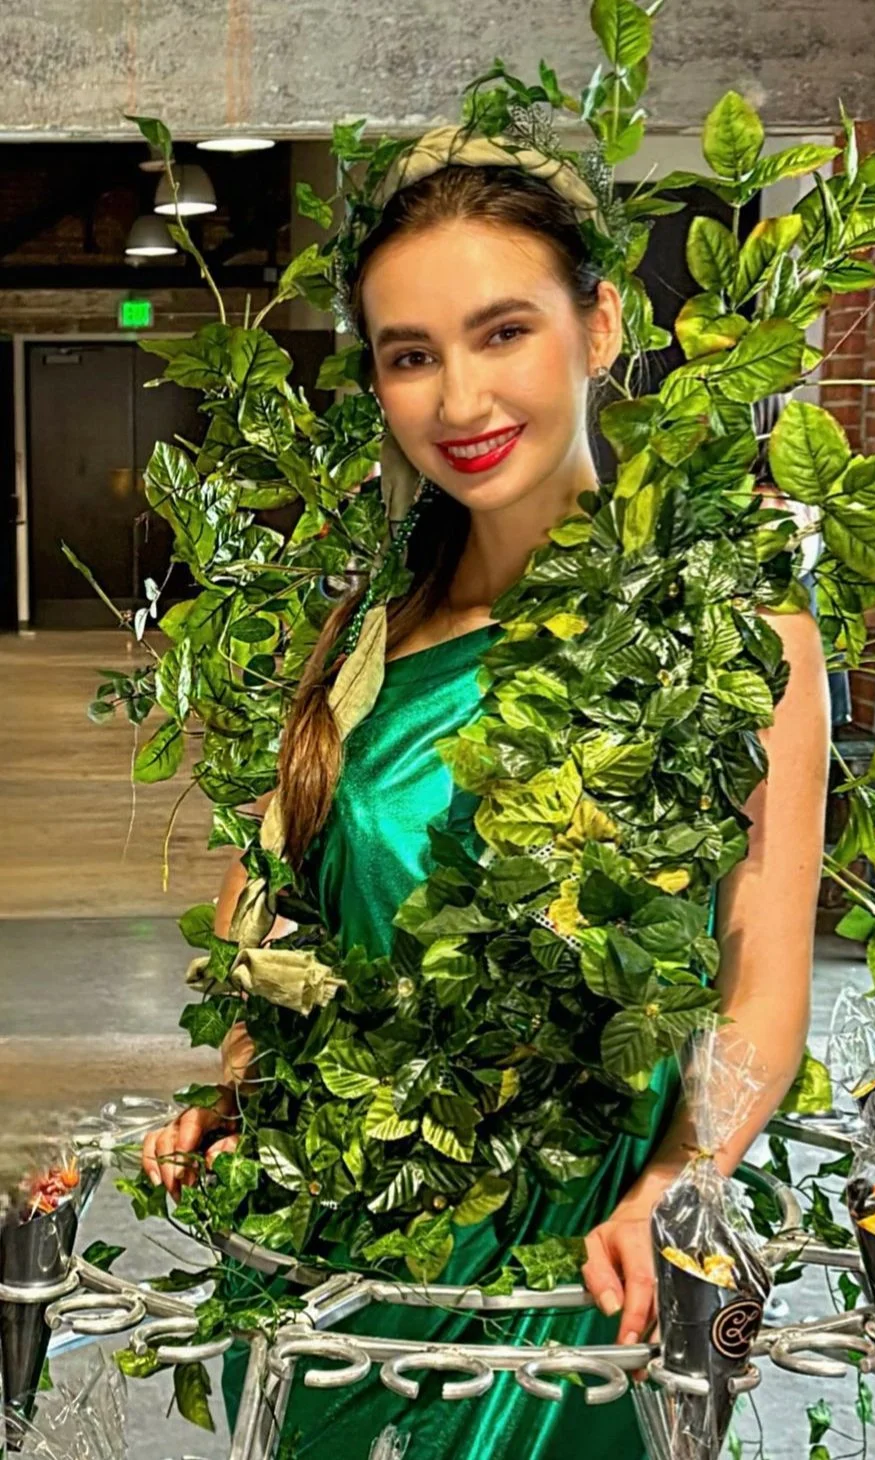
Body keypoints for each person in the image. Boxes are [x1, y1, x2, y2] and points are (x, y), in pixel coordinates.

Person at [141, 138, 830, 1456]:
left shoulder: (735, 633)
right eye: (410, 354)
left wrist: (686, 1184)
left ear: (599, 322)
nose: (458, 395)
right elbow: (270, 918)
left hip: (577, 1267)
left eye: (500, 330)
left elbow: (760, 978)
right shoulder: (369, 629)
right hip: (336, 1264)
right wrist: (246, 1090)